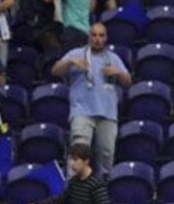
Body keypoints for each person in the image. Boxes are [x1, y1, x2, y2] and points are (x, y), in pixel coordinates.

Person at [51, 24, 132, 175]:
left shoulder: (113, 58)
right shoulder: (76, 54)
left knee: (107, 155)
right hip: (82, 112)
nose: (97, 39)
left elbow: (128, 82)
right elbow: (55, 70)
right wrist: (70, 62)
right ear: (89, 37)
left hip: (107, 113)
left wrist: (118, 73)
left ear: (106, 38)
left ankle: (101, 191)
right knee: (78, 153)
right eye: (94, 35)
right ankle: (74, 190)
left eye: (101, 36)